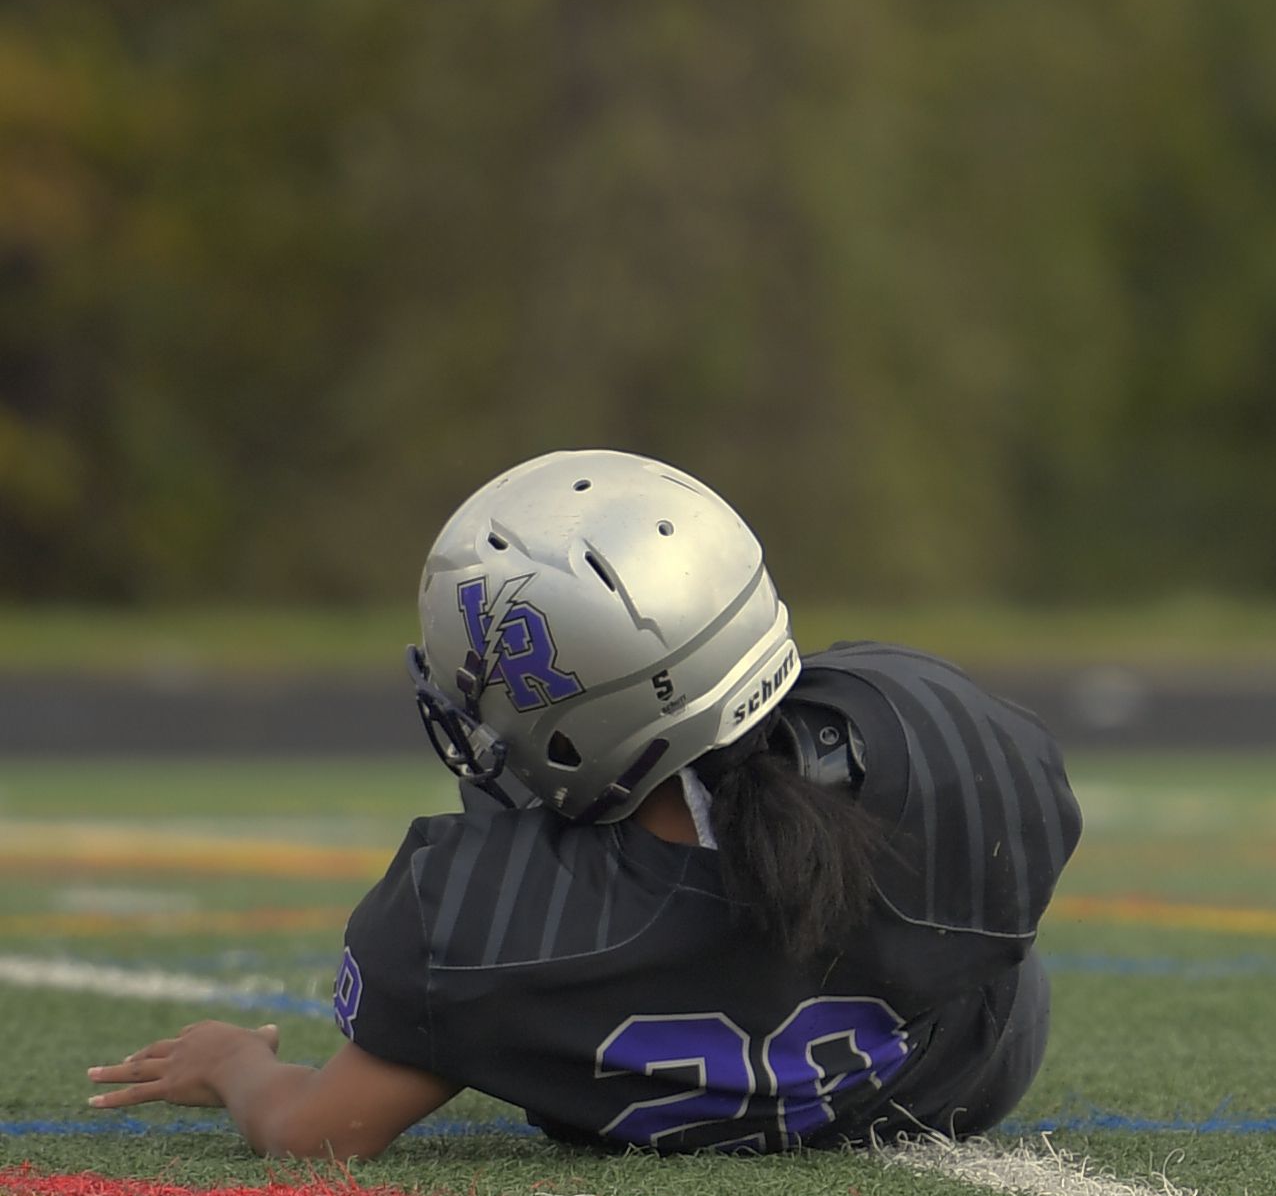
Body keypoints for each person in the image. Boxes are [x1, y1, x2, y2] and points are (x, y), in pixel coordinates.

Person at [85, 451, 1078, 1156]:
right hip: (953, 1088)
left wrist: (229, 1065)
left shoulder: (482, 921)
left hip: (671, 1100)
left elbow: (310, 1136)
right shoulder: (940, 737)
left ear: (576, 721)